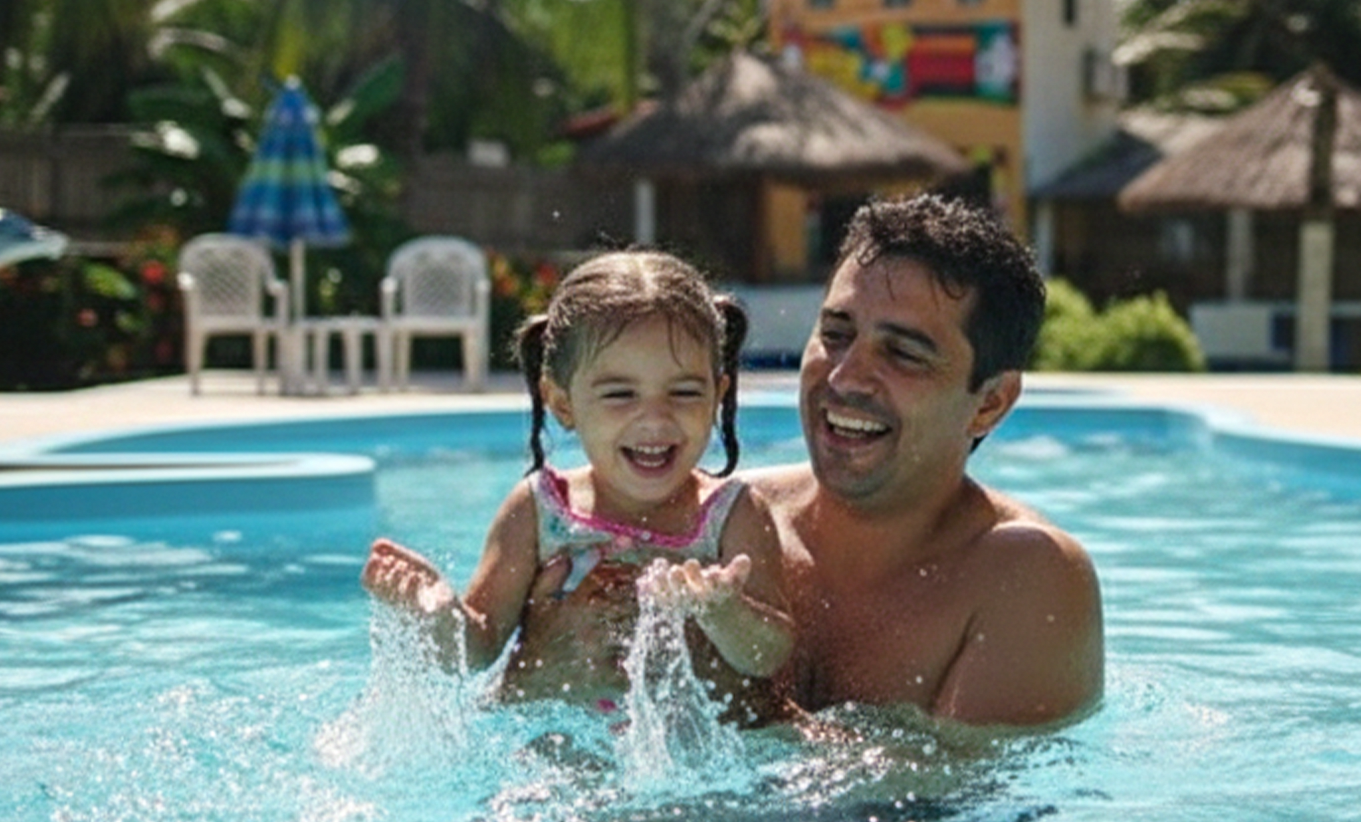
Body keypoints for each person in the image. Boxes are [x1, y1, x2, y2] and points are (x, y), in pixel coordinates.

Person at [361, 250, 792, 714]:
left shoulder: (733, 514)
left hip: (695, 761)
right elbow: (480, 647)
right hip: (563, 757)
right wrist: (441, 615)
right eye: (620, 394)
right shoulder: (538, 511)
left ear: (717, 396)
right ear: (562, 403)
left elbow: (768, 657)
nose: (655, 418)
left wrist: (724, 611)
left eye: (685, 392)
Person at [749, 192, 1104, 727]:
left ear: (990, 403)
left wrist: (750, 703)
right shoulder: (729, 520)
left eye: (904, 354)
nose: (845, 377)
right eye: (836, 334)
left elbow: (942, 794)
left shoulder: (1024, 576)